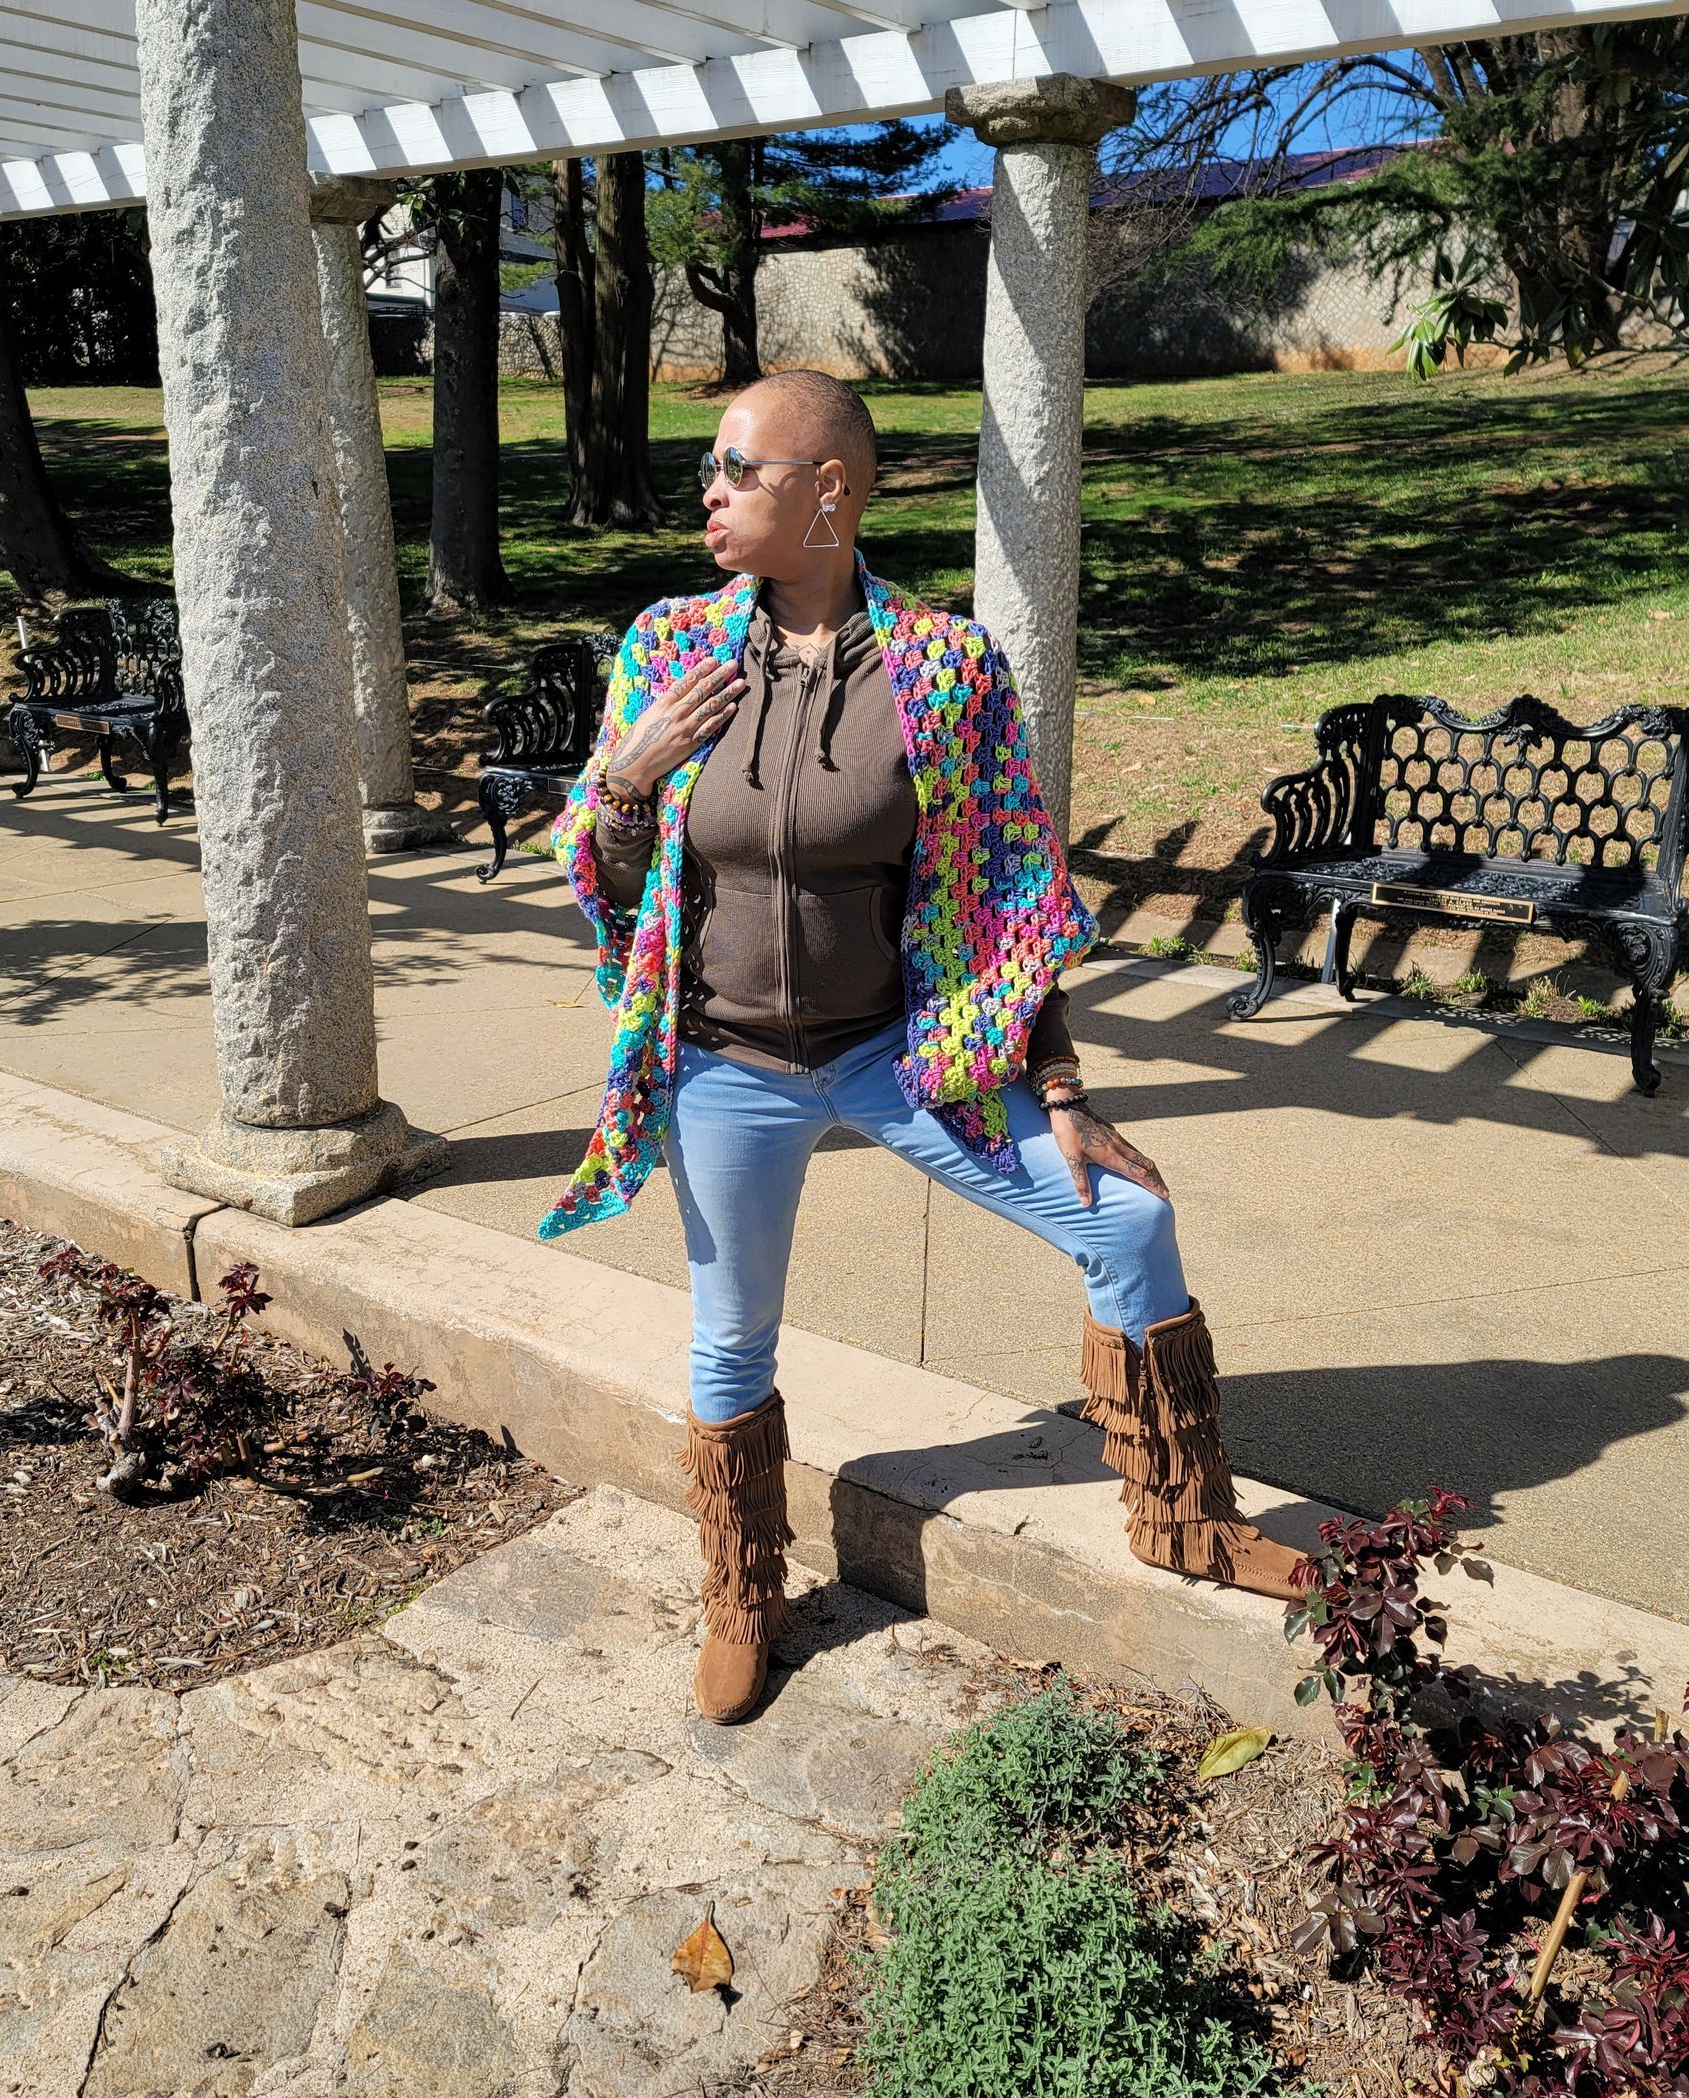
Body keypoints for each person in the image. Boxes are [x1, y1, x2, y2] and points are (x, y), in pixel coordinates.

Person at [543, 370, 1302, 1724]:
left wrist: (1057, 1082)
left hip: (902, 1053)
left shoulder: (944, 668)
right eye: (710, 472)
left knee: (1124, 1221)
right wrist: (626, 774)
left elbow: (1010, 886)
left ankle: (1184, 1517)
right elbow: (601, 882)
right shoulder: (666, 647)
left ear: (828, 486)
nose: (708, 493)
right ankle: (741, 1592)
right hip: (724, 1061)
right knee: (731, 1341)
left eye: (737, 468)